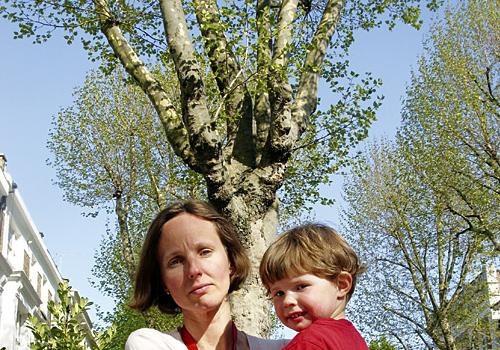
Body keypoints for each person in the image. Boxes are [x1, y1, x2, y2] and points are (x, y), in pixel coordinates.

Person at [125, 200, 287, 350]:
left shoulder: (286, 348)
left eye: (205, 252)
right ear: (163, 281)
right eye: (176, 261)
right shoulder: (149, 344)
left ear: (231, 261)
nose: (194, 270)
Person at [259, 223, 368, 350]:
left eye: (301, 286)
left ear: (341, 285)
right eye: (279, 293)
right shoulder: (353, 341)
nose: (287, 301)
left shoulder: (309, 343)